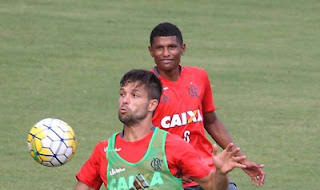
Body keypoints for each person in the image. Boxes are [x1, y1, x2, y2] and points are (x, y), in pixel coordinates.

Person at [75, 69, 246, 190]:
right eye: (122, 94)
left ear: (152, 104)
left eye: (134, 95)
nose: (125, 100)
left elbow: (212, 186)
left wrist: (221, 173)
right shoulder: (104, 151)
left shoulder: (173, 146)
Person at [148, 22, 266, 190]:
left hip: (206, 169)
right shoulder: (144, 85)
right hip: (170, 178)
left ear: (183, 48)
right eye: (159, 48)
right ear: (150, 51)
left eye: (172, 47)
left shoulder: (198, 76)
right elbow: (139, 136)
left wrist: (242, 160)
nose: (166, 53)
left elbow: (211, 120)